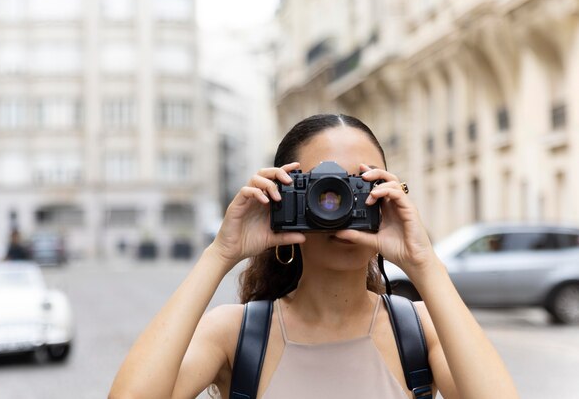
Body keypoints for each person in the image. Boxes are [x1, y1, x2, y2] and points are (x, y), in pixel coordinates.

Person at [110, 114, 518, 398]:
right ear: (283, 197)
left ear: (389, 195)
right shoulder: (235, 335)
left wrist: (423, 263)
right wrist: (220, 253)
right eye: (320, 188)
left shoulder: (419, 331)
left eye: (361, 185)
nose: (336, 203)